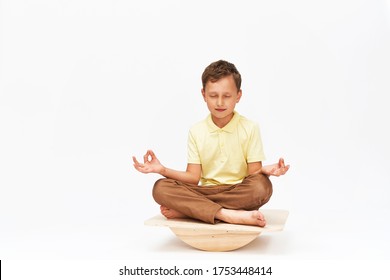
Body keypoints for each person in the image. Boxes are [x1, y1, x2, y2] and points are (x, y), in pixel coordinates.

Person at [133, 60, 289, 227]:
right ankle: (227, 214)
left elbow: (253, 175)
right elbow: (193, 178)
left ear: (238, 96)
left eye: (227, 96)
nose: (220, 102)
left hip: (238, 191)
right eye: (213, 96)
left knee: (262, 186)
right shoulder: (197, 131)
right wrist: (162, 170)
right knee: (160, 188)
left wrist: (265, 170)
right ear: (203, 95)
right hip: (205, 191)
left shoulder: (249, 127)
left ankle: (193, 210)